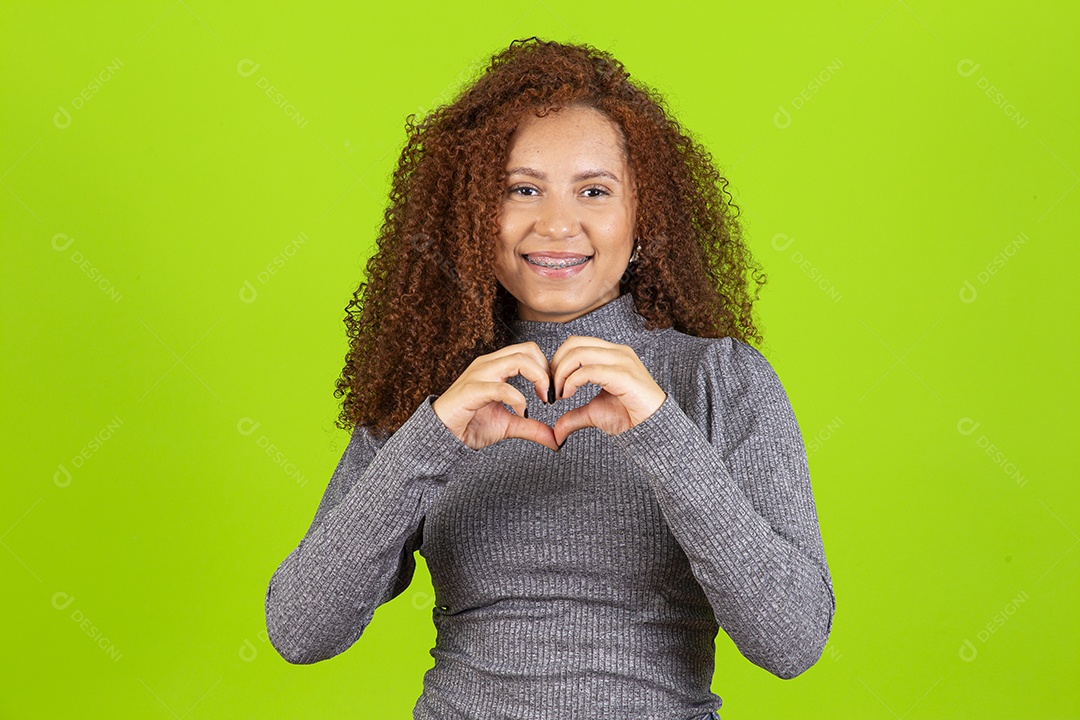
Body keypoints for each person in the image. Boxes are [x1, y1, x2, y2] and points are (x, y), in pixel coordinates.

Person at [264, 36, 835, 720]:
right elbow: (300, 630)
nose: (558, 223)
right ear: (474, 215)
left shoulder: (720, 379)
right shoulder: (437, 387)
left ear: (641, 215)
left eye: (594, 190)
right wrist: (433, 436)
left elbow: (792, 640)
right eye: (522, 189)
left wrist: (660, 433)